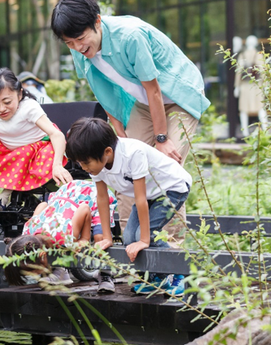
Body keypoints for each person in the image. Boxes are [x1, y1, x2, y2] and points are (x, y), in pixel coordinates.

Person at [50, 0, 209, 241]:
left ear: (98, 22)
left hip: (176, 95)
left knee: (168, 171)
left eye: (80, 39)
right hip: (144, 102)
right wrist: (118, 128)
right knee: (120, 164)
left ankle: (174, 254)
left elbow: (154, 89)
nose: (77, 47)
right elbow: (104, 89)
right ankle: (130, 248)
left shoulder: (130, 37)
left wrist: (161, 138)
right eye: (69, 43)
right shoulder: (78, 48)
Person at [65, 117, 192, 296]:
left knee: (142, 236)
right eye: (80, 163)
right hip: (150, 193)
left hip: (172, 188)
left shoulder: (133, 153)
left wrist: (145, 240)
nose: (83, 167)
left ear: (107, 151)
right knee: (129, 237)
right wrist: (107, 237)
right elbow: (102, 198)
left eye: (85, 163)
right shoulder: (95, 163)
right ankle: (159, 278)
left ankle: (180, 274)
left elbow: (140, 199)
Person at [0, 67, 73, 212]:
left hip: (33, 148)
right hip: (7, 147)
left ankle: (4, 197)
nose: (1, 109)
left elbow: (56, 134)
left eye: (7, 102)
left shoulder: (29, 108)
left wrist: (57, 165)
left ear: (19, 94)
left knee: (23, 152)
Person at [3, 179, 117, 289]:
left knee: (100, 238)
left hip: (91, 195)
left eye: (34, 272)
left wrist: (84, 238)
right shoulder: (28, 230)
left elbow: (85, 208)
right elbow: (42, 205)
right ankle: (59, 272)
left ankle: (105, 274)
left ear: (43, 254)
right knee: (59, 246)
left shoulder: (66, 236)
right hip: (65, 196)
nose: (34, 276)